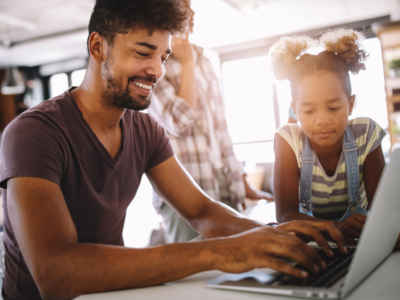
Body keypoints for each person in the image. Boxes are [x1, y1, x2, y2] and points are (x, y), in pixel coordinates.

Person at [0, 1, 349, 299]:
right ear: (97, 47)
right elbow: (55, 273)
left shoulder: (145, 129)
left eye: (163, 56)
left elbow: (201, 211)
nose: (157, 70)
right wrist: (217, 252)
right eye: (143, 52)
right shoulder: (33, 133)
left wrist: (272, 233)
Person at [148, 0, 273, 243]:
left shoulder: (202, 59)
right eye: (184, 7)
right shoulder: (154, 64)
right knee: (193, 274)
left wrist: (241, 182)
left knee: (235, 264)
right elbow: (179, 122)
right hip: (182, 193)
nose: (192, 12)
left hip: (223, 184)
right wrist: (186, 63)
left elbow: (220, 130)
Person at [270, 29, 390, 246]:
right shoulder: (288, 140)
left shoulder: (366, 134)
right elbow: (285, 215)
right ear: (295, 110)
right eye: (308, 111)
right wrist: (338, 227)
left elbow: (383, 212)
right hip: (314, 243)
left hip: (360, 244)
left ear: (351, 105)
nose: (321, 120)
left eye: (333, 107)